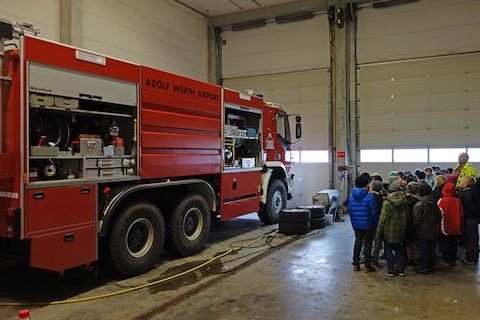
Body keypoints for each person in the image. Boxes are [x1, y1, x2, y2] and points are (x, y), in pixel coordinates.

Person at [376, 181, 409, 277]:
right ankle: (401, 270)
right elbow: (407, 216)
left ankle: (390, 270)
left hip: (388, 230)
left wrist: (379, 233)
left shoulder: (386, 203)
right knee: (399, 250)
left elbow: (382, 219)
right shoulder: (404, 201)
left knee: (388, 250)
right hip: (401, 230)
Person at [348, 176, 378, 272]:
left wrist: (354, 224)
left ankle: (356, 264)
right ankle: (367, 266)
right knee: (367, 244)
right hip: (368, 225)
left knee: (358, 242)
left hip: (356, 225)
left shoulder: (351, 198)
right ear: (367, 185)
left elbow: (351, 213)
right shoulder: (370, 197)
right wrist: (376, 224)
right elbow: (374, 213)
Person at [412, 184, 441, 273]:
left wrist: (414, 228)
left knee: (423, 250)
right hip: (432, 229)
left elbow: (416, 219)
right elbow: (439, 216)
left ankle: (423, 267)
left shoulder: (419, 205)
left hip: (422, 230)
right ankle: (431, 265)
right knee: (431, 248)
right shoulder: (434, 202)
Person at [438, 182, 463, 265]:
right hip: (456, 225)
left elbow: (438, 213)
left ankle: (447, 258)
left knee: (446, 243)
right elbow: (461, 214)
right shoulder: (458, 200)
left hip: (445, 225)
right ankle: (453, 258)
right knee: (454, 242)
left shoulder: (442, 200)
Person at [458, 176, 480, 264]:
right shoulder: (475, 191)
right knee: (474, 238)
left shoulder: (466, 194)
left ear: (466, 183)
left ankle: (471, 258)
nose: (460, 183)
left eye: (462, 181)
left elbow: (471, 207)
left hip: (470, 218)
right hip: (474, 218)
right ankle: (473, 255)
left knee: (471, 239)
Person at [369, 180, 385, 266]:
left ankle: (366, 257)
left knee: (367, 241)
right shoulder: (382, 198)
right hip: (379, 221)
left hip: (370, 221)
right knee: (377, 241)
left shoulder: (370, 197)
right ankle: (375, 258)